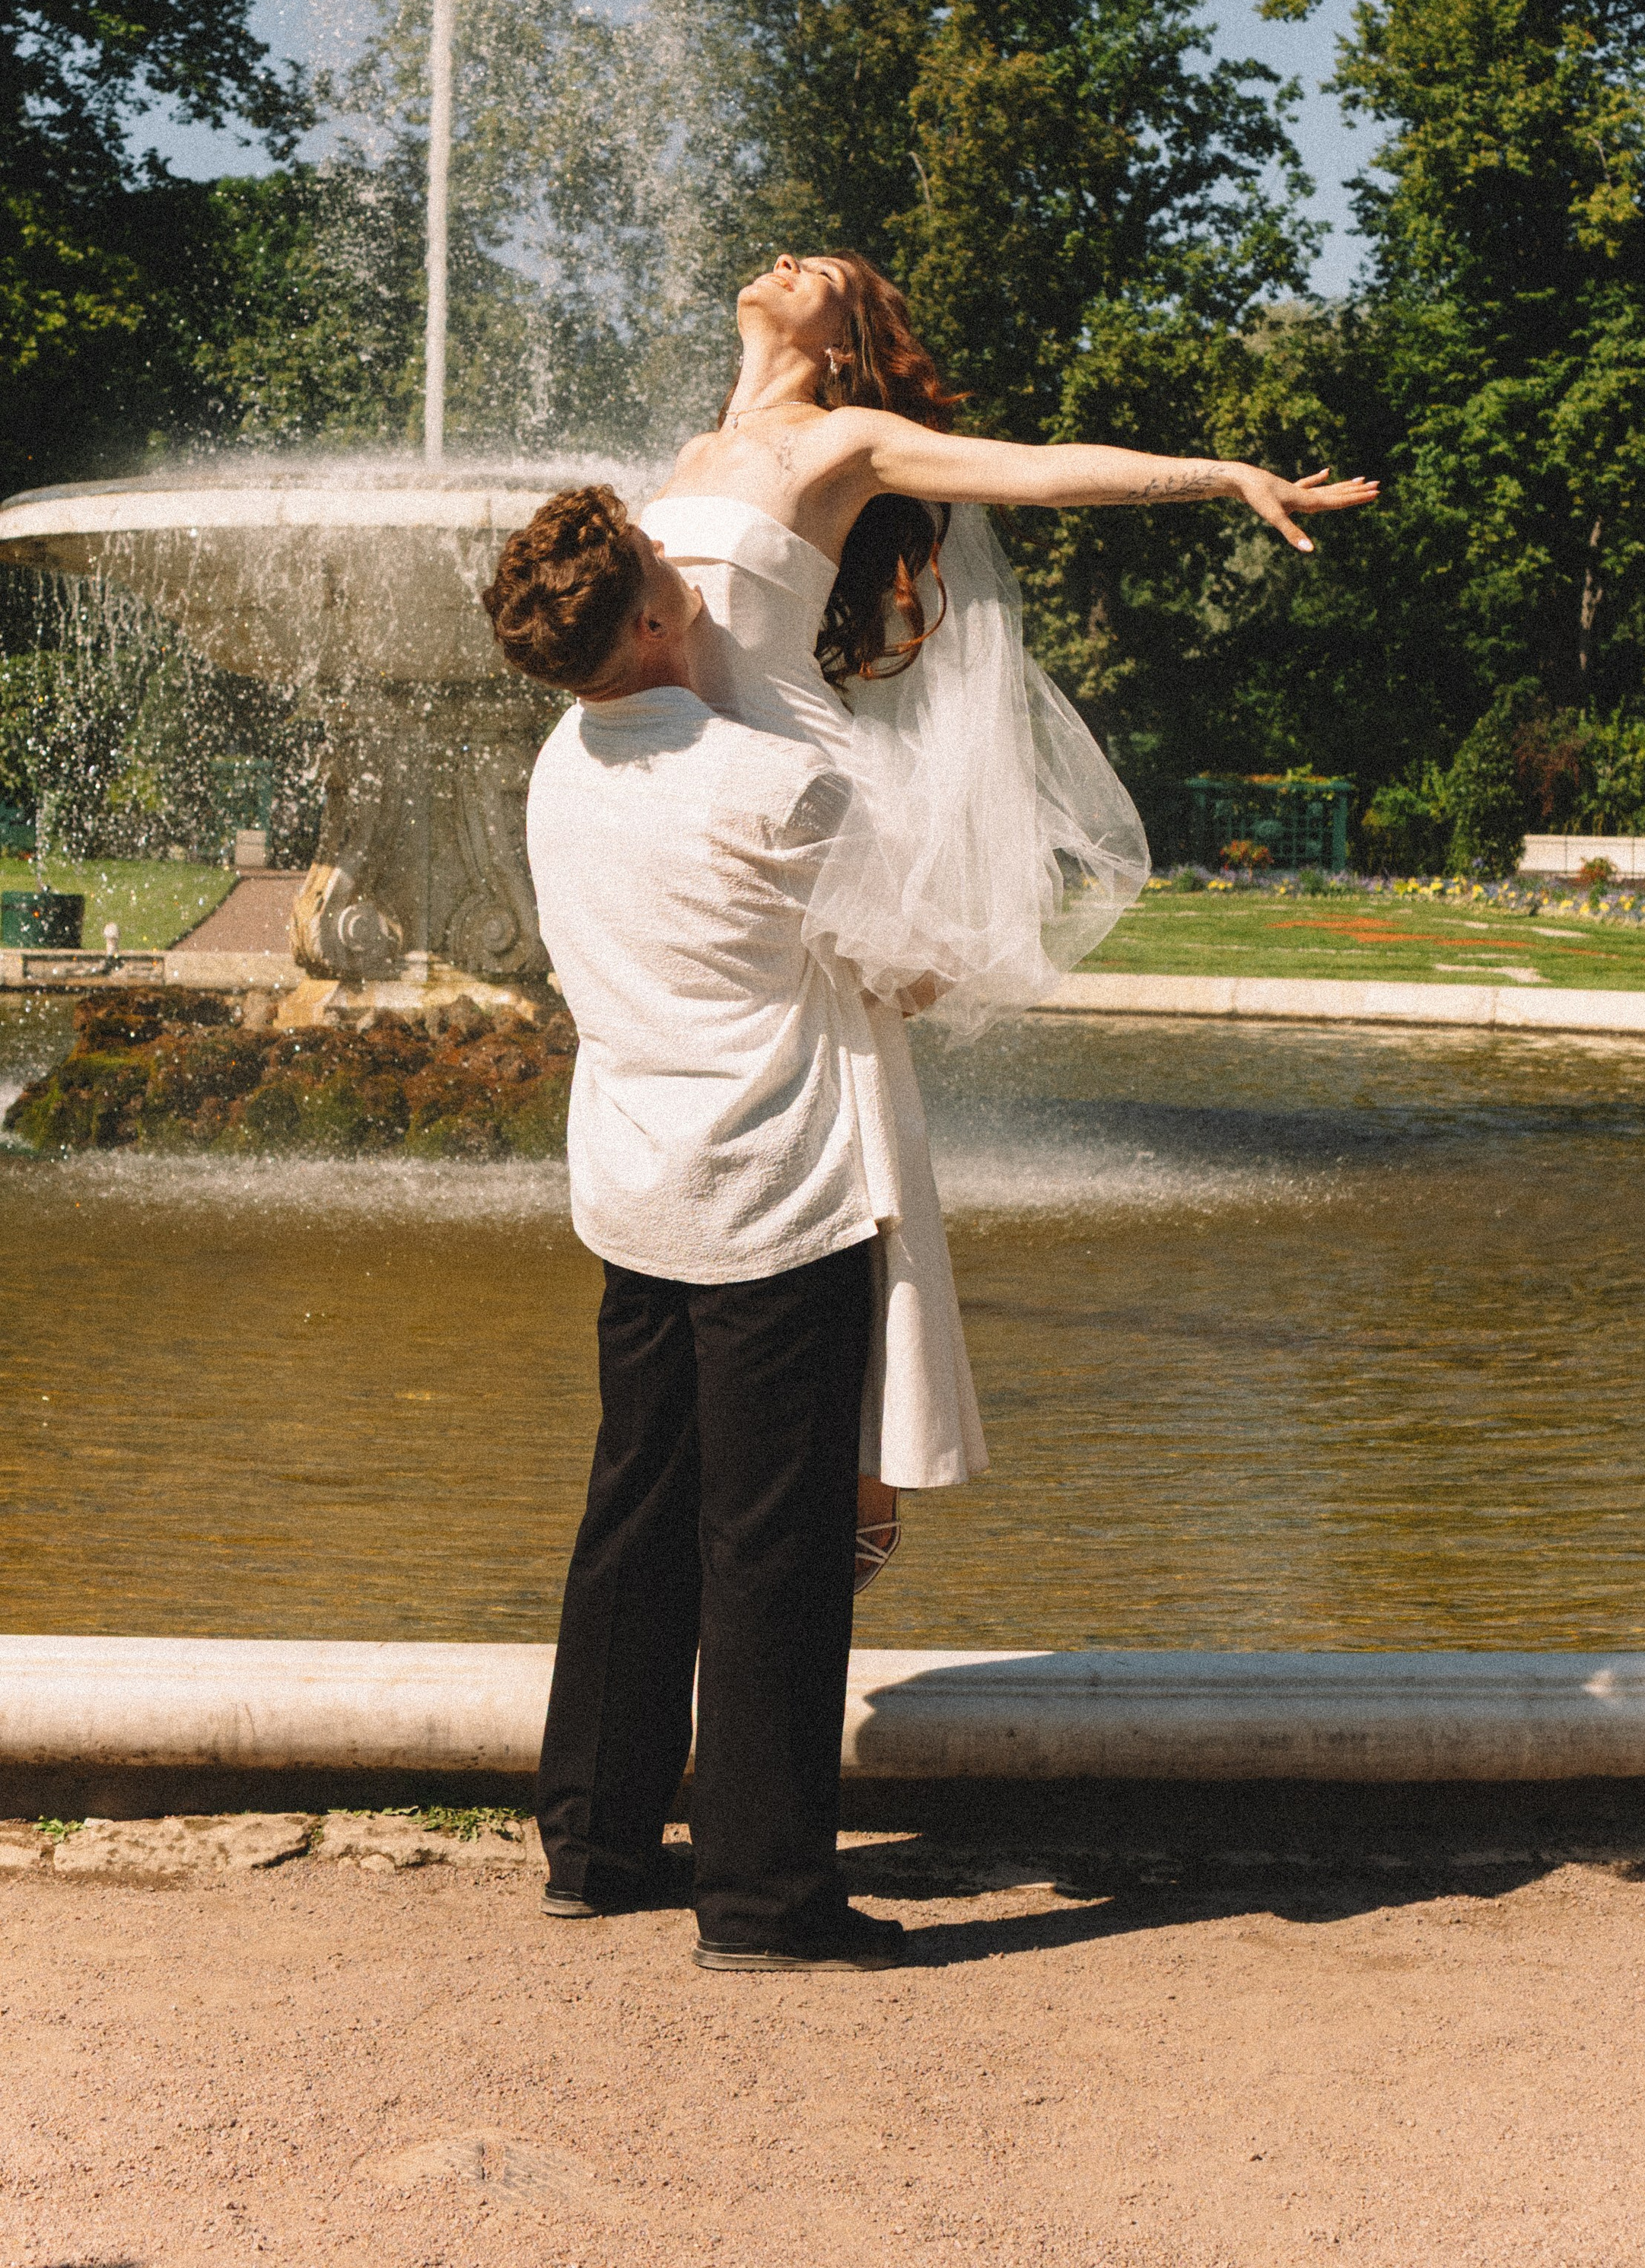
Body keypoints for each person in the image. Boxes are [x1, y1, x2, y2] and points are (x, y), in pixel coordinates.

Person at [646, 250, 1382, 1572]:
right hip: (700, 827)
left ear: (846, 339)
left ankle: (860, 1462)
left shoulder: (844, 440)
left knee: (845, 1115)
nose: (786, 260)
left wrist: (1224, 477)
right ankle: (744, 1451)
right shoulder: (695, 453)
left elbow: (1040, 471)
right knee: (722, 1118)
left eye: (822, 270)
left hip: (799, 812)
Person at [481, 483, 905, 1971]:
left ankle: (594, 1847)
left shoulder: (557, 765)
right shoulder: (776, 787)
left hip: (631, 1180)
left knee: (634, 1515)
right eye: (670, 563)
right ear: (658, 618)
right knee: (770, 1546)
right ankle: (765, 1901)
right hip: (770, 1196)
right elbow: (905, 967)